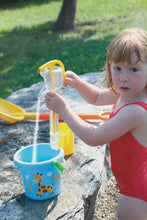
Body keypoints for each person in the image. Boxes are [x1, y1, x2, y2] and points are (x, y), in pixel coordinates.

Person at [45, 28, 147, 220]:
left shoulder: (135, 110)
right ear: (110, 67)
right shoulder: (127, 93)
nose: (124, 77)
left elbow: (93, 137)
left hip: (135, 188)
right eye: (117, 68)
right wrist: (79, 84)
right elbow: (97, 97)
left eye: (134, 69)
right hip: (135, 176)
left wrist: (63, 109)